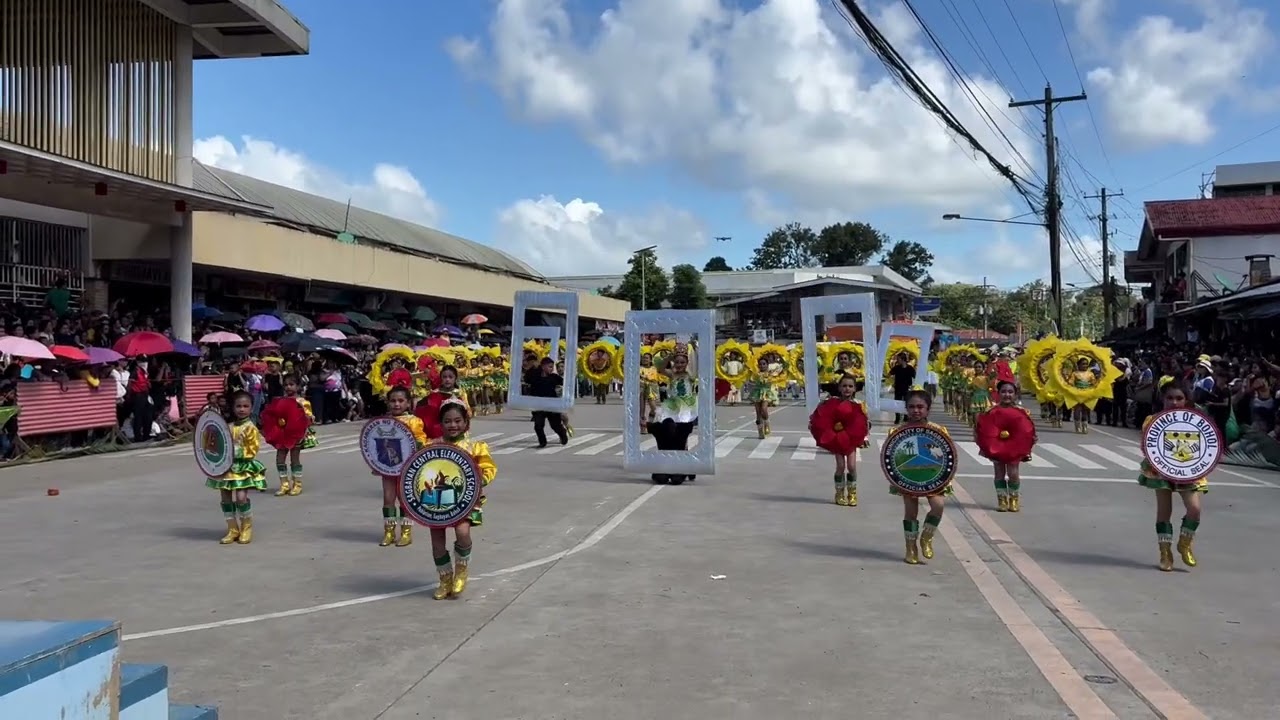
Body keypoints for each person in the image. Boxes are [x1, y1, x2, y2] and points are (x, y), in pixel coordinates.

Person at [427, 400, 498, 600]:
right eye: (447, 421)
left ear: (466, 422)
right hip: (436, 501)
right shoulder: (432, 446)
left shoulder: (475, 447)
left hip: (465, 500)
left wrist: (481, 478)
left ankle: (461, 570)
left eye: (458, 420)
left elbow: (487, 468)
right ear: (441, 423)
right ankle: (445, 579)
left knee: (462, 531)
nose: (453, 425)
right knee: (437, 543)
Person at [1139, 382, 1206, 572]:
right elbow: (1148, 447)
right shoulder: (1152, 420)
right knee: (1164, 512)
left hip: (1188, 470)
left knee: (1194, 509)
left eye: (1179, 398)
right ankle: (1165, 552)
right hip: (1161, 470)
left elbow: (1205, 446)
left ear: (1186, 400)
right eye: (1170, 398)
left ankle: (1184, 544)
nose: (1174, 402)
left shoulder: (1197, 422)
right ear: (1163, 399)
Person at [889, 390, 950, 565]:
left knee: (938, 506)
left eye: (920, 407)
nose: (916, 410)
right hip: (908, 477)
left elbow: (946, 457)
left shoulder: (939, 431)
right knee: (911, 512)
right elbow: (893, 460)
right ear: (906, 409)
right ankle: (911, 546)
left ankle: (926, 537)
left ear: (928, 409)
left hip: (933, 476)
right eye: (912, 407)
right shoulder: (896, 432)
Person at [206, 391, 267, 545]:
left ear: (251, 408)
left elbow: (253, 449)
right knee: (225, 498)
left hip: (242, 467)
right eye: (238, 406)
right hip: (226, 468)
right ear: (233, 408)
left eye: (245, 406)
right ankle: (232, 529)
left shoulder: (251, 428)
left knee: (241, 498)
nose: (242, 409)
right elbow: (218, 445)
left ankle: (246, 527)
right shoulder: (228, 426)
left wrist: (237, 451)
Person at [377, 386, 428, 547]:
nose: (396, 404)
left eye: (400, 401)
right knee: (388, 498)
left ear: (408, 403)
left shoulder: (414, 421)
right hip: (389, 467)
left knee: (405, 500)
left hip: (407, 468)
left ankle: (406, 532)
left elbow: (421, 440)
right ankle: (389, 532)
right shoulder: (383, 422)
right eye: (393, 401)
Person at [976, 381, 1037, 512]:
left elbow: (1028, 430)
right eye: (1003, 392)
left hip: (1014, 448)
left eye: (1010, 392)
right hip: (996, 446)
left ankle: (1014, 499)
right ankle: (1002, 500)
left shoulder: (1022, 412)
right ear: (998, 394)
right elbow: (981, 428)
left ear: (1015, 394)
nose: (1007, 395)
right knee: (999, 472)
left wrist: (1031, 441)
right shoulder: (990, 411)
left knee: (1013, 473)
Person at [810, 373, 868, 507]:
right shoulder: (832, 402)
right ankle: (839, 493)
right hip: (837, 439)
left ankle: (852, 493)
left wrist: (864, 437)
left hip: (851, 439)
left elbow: (864, 423)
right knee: (840, 466)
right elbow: (821, 415)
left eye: (850, 386)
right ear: (839, 388)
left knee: (852, 466)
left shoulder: (859, 405)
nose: (847, 388)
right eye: (844, 386)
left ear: (855, 389)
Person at [647, 342, 699, 485]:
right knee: (671, 432)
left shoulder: (690, 375)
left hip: (686, 405)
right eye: (677, 362)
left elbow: (699, 366)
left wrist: (696, 350)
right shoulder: (672, 374)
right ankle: (676, 463)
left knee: (683, 435)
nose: (679, 364)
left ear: (687, 362)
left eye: (682, 362)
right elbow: (660, 368)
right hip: (672, 405)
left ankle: (685, 465)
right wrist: (669, 357)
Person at [272, 374, 317, 497]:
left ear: (298, 387)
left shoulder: (302, 402)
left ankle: (297, 485)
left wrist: (306, 418)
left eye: (291, 384)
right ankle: (284, 485)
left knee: (294, 459)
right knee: (279, 459)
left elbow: (310, 418)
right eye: (286, 385)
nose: (288, 387)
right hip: (282, 434)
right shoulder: (280, 401)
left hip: (296, 435)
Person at [525, 357, 568, 447]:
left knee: (555, 425)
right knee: (538, 425)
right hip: (538, 405)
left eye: (552, 367)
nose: (551, 369)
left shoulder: (554, 377)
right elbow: (526, 378)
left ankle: (563, 435)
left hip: (552, 405)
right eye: (550, 367)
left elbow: (564, 383)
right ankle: (542, 442)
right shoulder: (535, 376)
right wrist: (532, 367)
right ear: (543, 366)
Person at [889, 353, 916, 424]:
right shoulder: (896, 368)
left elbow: (915, 377)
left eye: (898, 359)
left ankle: (906, 417)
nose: (897, 360)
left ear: (903, 359)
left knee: (906, 403)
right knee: (897, 403)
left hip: (907, 388)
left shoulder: (910, 368)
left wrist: (913, 386)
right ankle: (897, 417)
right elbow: (890, 374)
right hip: (898, 388)